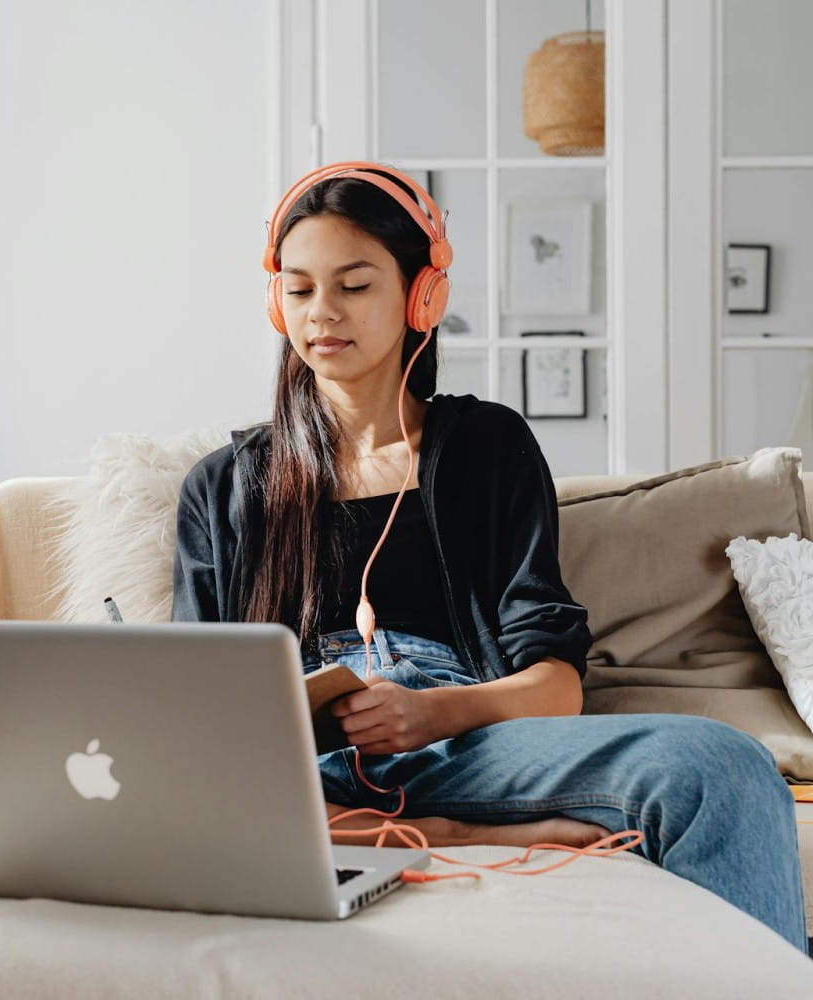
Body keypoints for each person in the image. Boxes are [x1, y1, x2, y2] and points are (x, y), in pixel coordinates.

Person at [172, 161, 808, 953]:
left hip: (471, 742)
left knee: (722, 766)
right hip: (299, 772)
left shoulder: (487, 447)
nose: (321, 313)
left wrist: (431, 711)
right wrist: (445, 832)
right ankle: (435, 832)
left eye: (354, 284)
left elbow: (557, 685)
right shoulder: (224, 486)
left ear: (420, 297)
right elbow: (191, 720)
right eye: (298, 290)